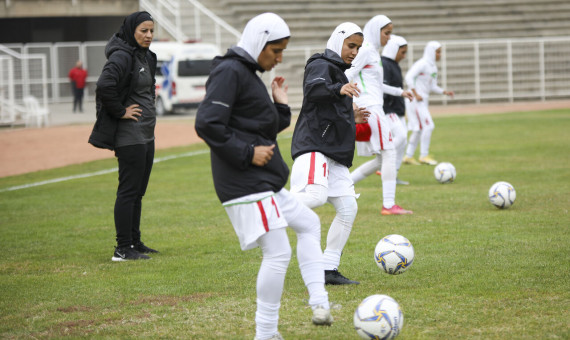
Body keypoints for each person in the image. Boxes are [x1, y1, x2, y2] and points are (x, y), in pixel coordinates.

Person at [194, 13, 333, 340]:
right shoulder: (230, 71)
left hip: (263, 182)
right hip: (244, 182)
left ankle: (320, 304)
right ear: (259, 42)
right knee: (278, 251)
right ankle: (266, 334)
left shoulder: (246, 73)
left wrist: (280, 107)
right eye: (276, 50)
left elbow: (260, 129)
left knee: (309, 223)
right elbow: (207, 123)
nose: (279, 58)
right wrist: (246, 153)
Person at [290, 22, 364, 285]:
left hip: (332, 152)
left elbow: (328, 108)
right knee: (315, 195)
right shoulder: (321, 64)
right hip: (315, 147)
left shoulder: (338, 72)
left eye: (358, 47)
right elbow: (314, 90)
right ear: (338, 41)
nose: (354, 52)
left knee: (348, 207)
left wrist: (350, 115)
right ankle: (270, 208)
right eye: (351, 45)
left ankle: (327, 269)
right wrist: (338, 90)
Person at [88, 11, 159, 261]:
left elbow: (146, 88)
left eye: (152, 30)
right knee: (128, 191)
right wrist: (120, 111)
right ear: (132, 31)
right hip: (130, 136)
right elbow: (104, 86)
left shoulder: (147, 56)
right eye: (144, 31)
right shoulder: (121, 56)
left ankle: (135, 243)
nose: (149, 35)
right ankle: (122, 248)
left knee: (138, 191)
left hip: (146, 134)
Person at [345, 15, 414, 216]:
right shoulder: (365, 50)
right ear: (376, 31)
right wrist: (352, 103)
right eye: (387, 32)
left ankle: (341, 186)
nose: (389, 38)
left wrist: (400, 92)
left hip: (374, 107)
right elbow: (347, 75)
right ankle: (389, 205)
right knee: (389, 152)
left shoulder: (373, 52)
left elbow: (377, 85)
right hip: (371, 108)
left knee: (382, 159)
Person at [402, 41, 454, 165]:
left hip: (422, 100)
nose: (439, 55)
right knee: (429, 125)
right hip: (414, 100)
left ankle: (408, 156)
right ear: (431, 51)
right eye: (438, 52)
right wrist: (415, 93)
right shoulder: (422, 64)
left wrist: (444, 92)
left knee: (418, 128)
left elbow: (432, 86)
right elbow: (408, 77)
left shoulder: (433, 67)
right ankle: (424, 156)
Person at [382, 35, 410, 185]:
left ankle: (393, 173)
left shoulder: (393, 64)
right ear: (394, 49)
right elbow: (383, 88)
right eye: (403, 52)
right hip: (389, 109)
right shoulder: (384, 64)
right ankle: (384, 160)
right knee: (401, 136)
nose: (404, 56)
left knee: (403, 141)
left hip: (398, 109)